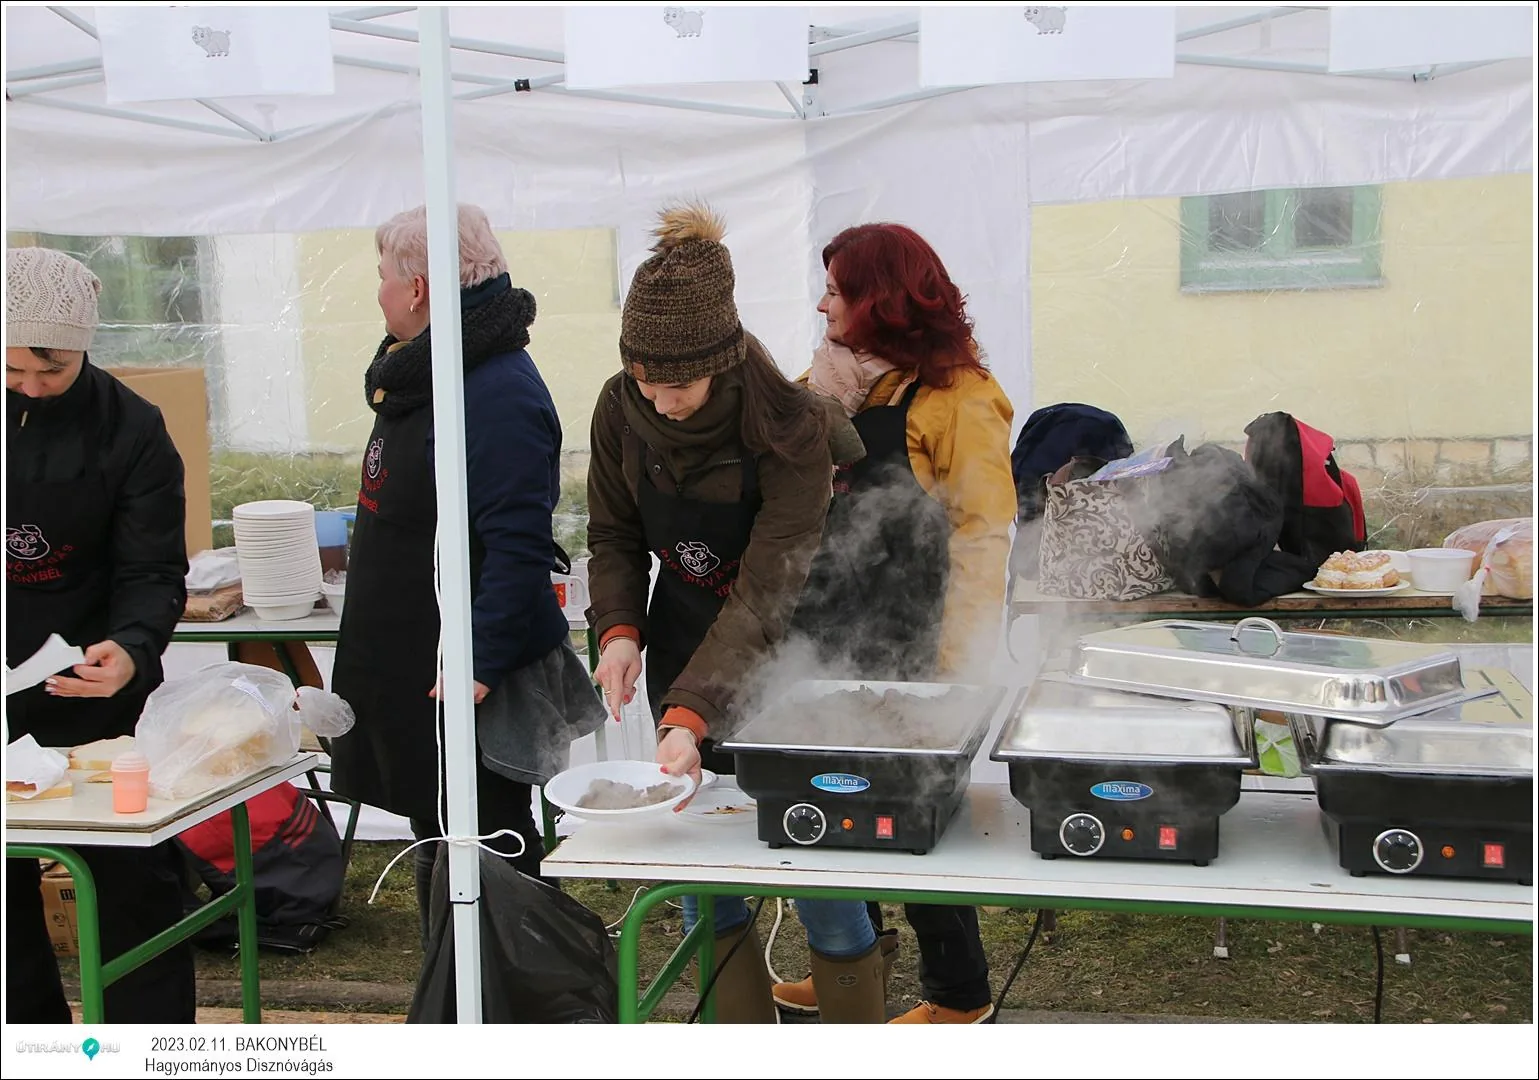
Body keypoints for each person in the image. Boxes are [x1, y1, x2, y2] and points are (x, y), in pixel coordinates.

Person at [585, 203, 886, 1023]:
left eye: (674, 385)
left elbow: (764, 594)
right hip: (685, 640)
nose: (659, 401)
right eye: (644, 382)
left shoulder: (790, 428)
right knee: (697, 866)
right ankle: (738, 1036)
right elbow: (611, 533)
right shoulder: (620, 407)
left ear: (718, 363)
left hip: (792, 651)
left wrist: (692, 710)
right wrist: (618, 630)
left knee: (808, 852)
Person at [328, 204, 600, 948]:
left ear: (416, 288)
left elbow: (516, 540)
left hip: (467, 673)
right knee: (436, 827)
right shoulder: (424, 373)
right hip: (412, 659)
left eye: (383, 277)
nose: (376, 291)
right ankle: (454, 996)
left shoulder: (498, 389)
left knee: (486, 838)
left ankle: (513, 1004)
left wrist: (477, 654)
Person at [774, 223, 1018, 1024]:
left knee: (918, 819)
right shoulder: (853, 385)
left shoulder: (963, 400)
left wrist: (957, 665)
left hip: (913, 642)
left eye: (837, 291)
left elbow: (982, 537)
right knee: (839, 800)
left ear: (878, 300)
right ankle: (857, 962)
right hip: (834, 628)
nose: (821, 305)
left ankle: (959, 995)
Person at [6, 246, 193, 1023]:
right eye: (12, 372)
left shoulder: (133, 428)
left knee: (130, 889)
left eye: (50, 372)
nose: (31, 388)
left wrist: (135, 647)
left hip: (96, 686)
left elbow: (153, 569)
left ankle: (144, 1048)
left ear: (84, 345)